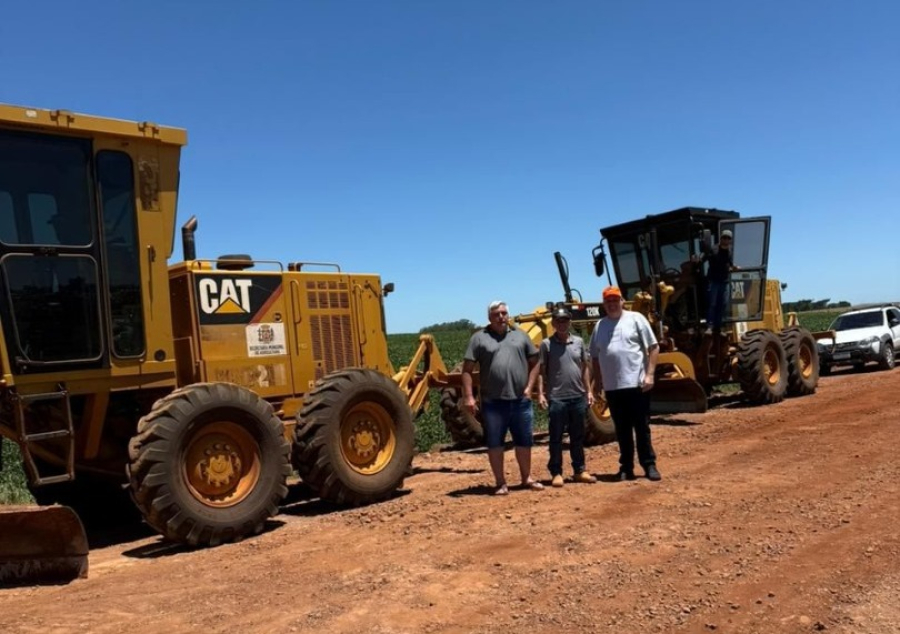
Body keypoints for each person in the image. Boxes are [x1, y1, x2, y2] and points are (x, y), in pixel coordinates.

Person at [462, 300, 544, 496]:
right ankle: (500, 483)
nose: (501, 317)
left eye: (504, 313)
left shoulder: (520, 336)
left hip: (520, 401)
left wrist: (529, 388)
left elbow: (536, 363)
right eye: (497, 314)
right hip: (493, 402)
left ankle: (526, 478)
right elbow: (466, 370)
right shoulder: (479, 339)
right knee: (495, 443)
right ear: (489, 317)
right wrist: (469, 397)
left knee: (524, 441)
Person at [589, 286, 662, 482]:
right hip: (613, 388)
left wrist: (650, 375)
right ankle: (626, 468)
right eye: (608, 301)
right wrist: (597, 383)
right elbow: (595, 358)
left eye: (615, 300)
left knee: (641, 426)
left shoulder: (636, 319)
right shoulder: (600, 326)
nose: (612, 304)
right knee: (622, 430)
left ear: (622, 301)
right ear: (604, 305)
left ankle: (649, 465)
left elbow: (654, 347)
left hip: (637, 384)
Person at [537, 307, 597, 487]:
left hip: (577, 396)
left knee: (577, 436)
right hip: (557, 397)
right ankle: (556, 472)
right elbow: (541, 372)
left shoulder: (578, 342)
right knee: (555, 437)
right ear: (553, 323)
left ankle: (579, 470)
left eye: (565, 320)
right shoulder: (546, 344)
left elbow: (585, 368)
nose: (562, 324)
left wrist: (589, 391)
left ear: (569, 322)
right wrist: (540, 393)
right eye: (558, 321)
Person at [699, 229, 735, 333]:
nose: (726, 240)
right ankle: (710, 325)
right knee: (712, 303)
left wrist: (734, 268)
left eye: (728, 238)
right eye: (724, 238)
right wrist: (697, 260)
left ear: (730, 240)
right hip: (714, 281)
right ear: (721, 238)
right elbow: (703, 260)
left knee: (723, 304)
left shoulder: (729, 251)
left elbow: (730, 264)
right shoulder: (713, 249)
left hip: (725, 281)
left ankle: (719, 326)